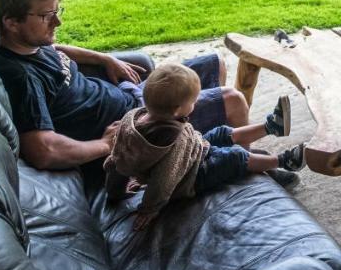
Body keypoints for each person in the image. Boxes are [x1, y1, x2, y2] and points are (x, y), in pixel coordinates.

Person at [0, 0, 290, 173]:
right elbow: (43, 149)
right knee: (233, 99)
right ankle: (247, 168)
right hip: (140, 127)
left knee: (215, 64)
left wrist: (105, 58)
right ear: (11, 22)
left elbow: (57, 48)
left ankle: (197, 146)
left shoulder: (30, 44)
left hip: (133, 96)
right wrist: (106, 145)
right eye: (46, 16)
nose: (57, 23)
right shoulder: (20, 77)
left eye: (57, 12)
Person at [105, 63, 306, 230]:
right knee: (235, 156)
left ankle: (271, 126)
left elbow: (116, 160)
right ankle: (284, 161)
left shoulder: (131, 119)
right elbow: (165, 178)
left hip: (196, 149)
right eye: (193, 102)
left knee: (222, 132)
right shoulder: (176, 139)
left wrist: (116, 190)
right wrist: (149, 208)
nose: (195, 105)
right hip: (191, 177)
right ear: (177, 111)